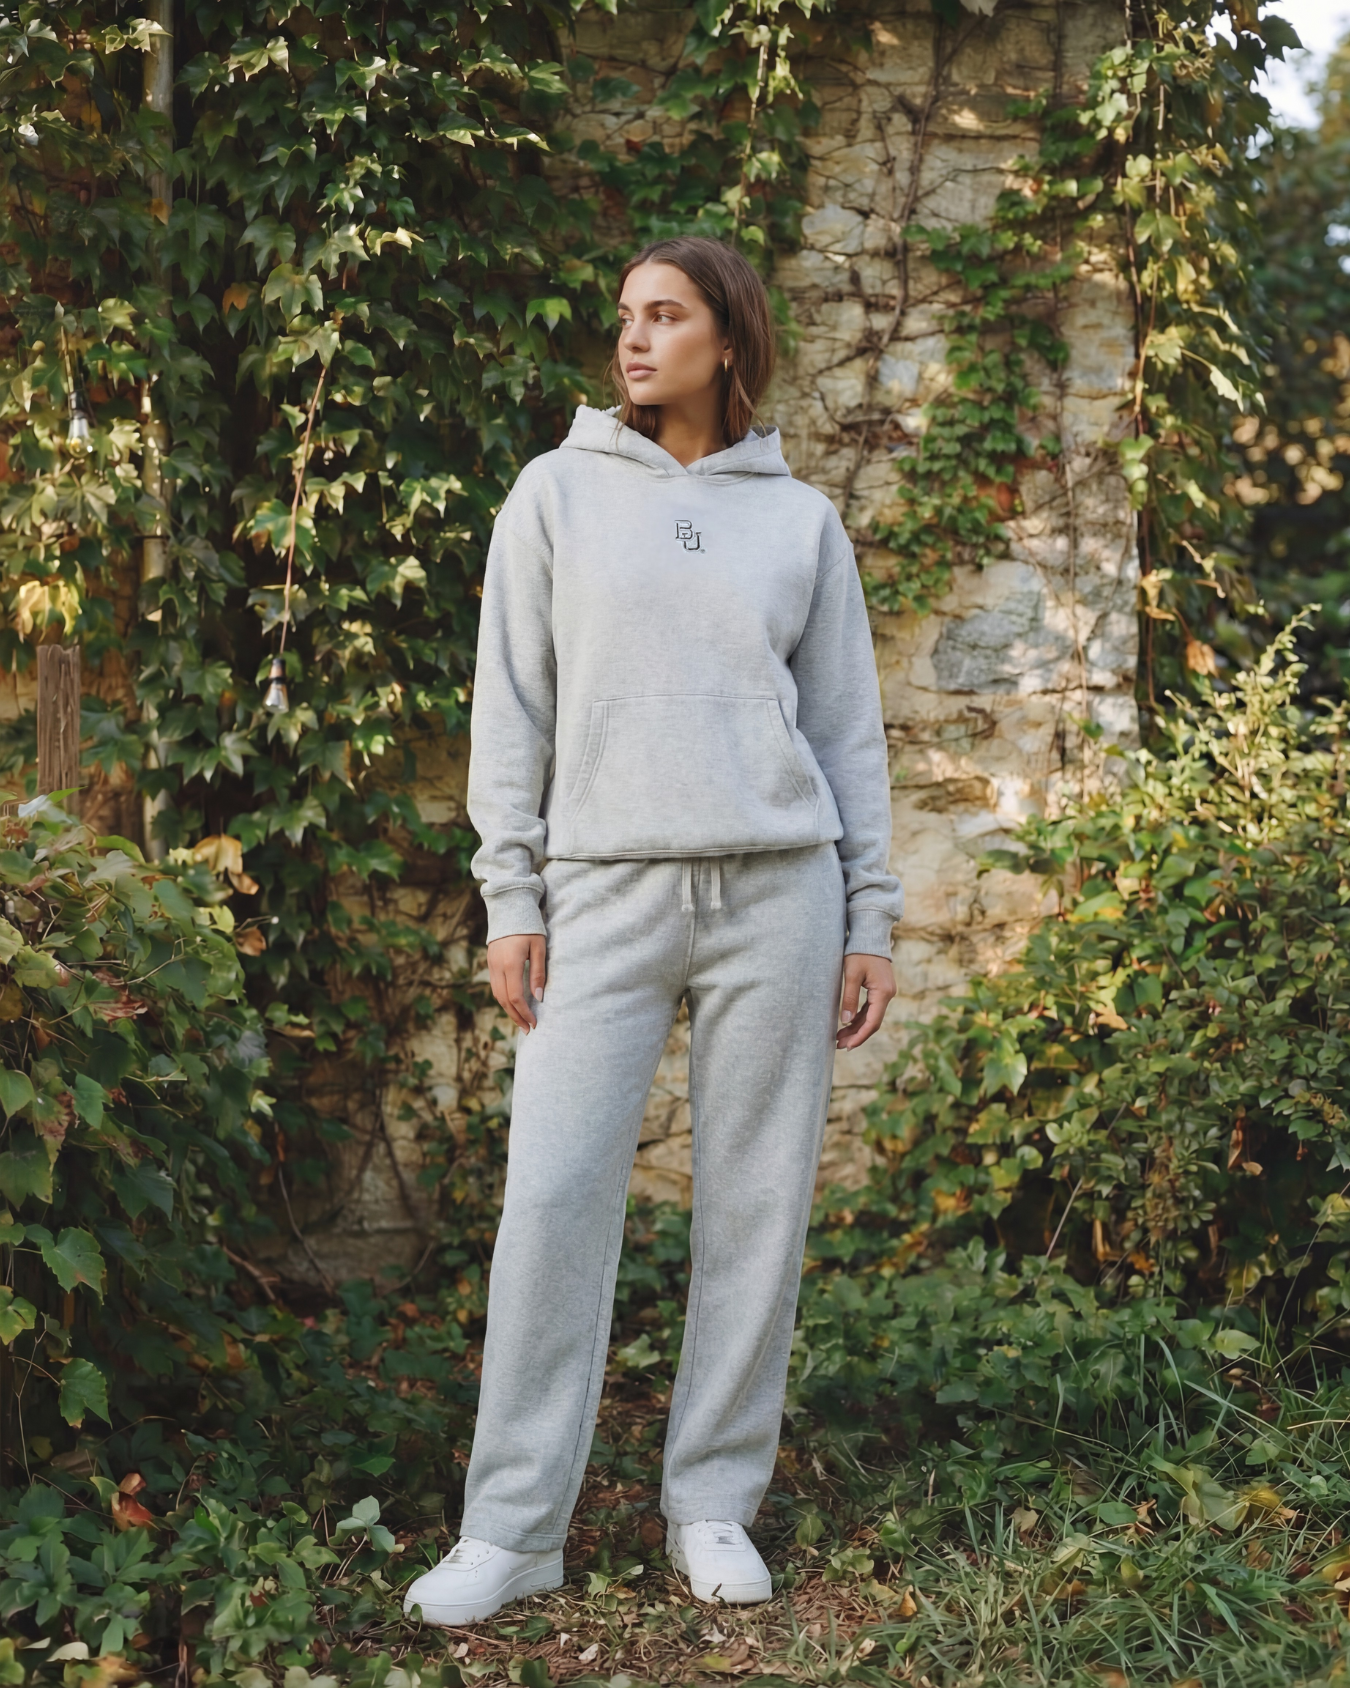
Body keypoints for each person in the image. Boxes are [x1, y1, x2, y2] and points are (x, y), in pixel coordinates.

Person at [403, 235, 904, 1628]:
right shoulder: (555, 495)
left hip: (776, 893)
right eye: (623, 316)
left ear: (726, 341)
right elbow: (511, 708)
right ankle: (511, 1530)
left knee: (755, 1206)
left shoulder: (798, 520)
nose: (632, 341)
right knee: (555, 1202)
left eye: (664, 317)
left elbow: (847, 737)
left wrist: (870, 913)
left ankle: (712, 1505)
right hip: (603, 892)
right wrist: (512, 894)